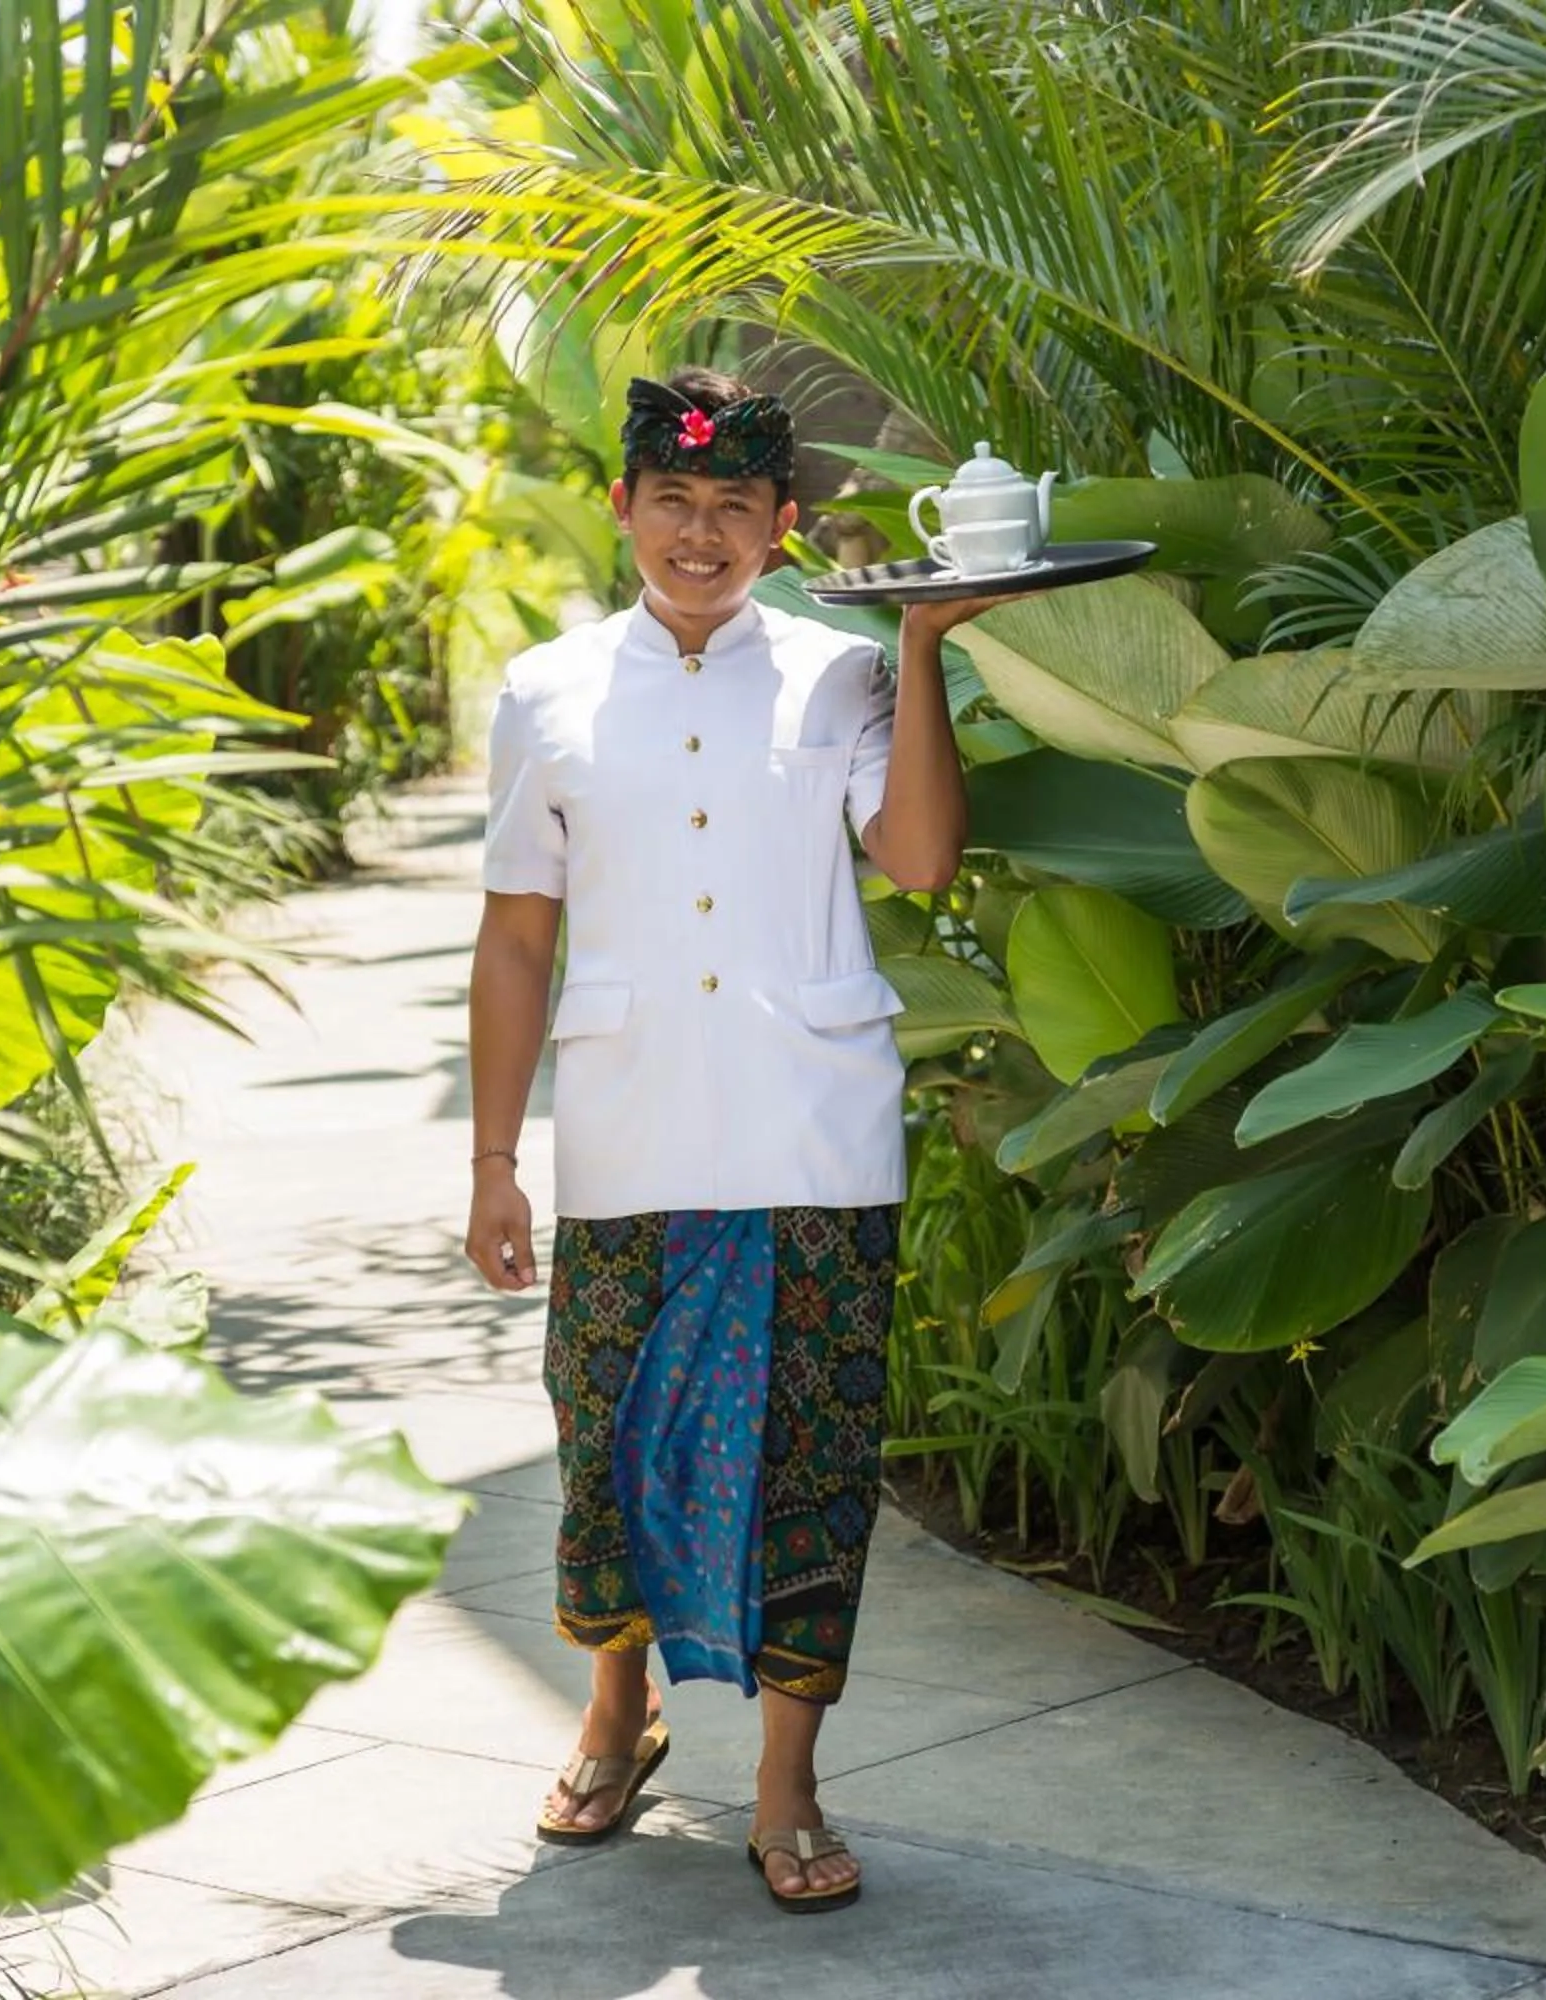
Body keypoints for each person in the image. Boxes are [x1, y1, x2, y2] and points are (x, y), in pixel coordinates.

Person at [463, 366, 1014, 1913]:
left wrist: (923, 649)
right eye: (673, 501)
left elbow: (919, 858)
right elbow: (516, 939)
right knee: (610, 1443)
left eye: (733, 507)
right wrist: (493, 1160)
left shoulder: (843, 675)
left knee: (811, 1463)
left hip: (811, 1132)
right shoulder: (546, 692)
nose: (699, 534)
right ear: (624, 508)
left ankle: (787, 1784)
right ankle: (615, 1714)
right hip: (628, 1134)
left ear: (782, 527)